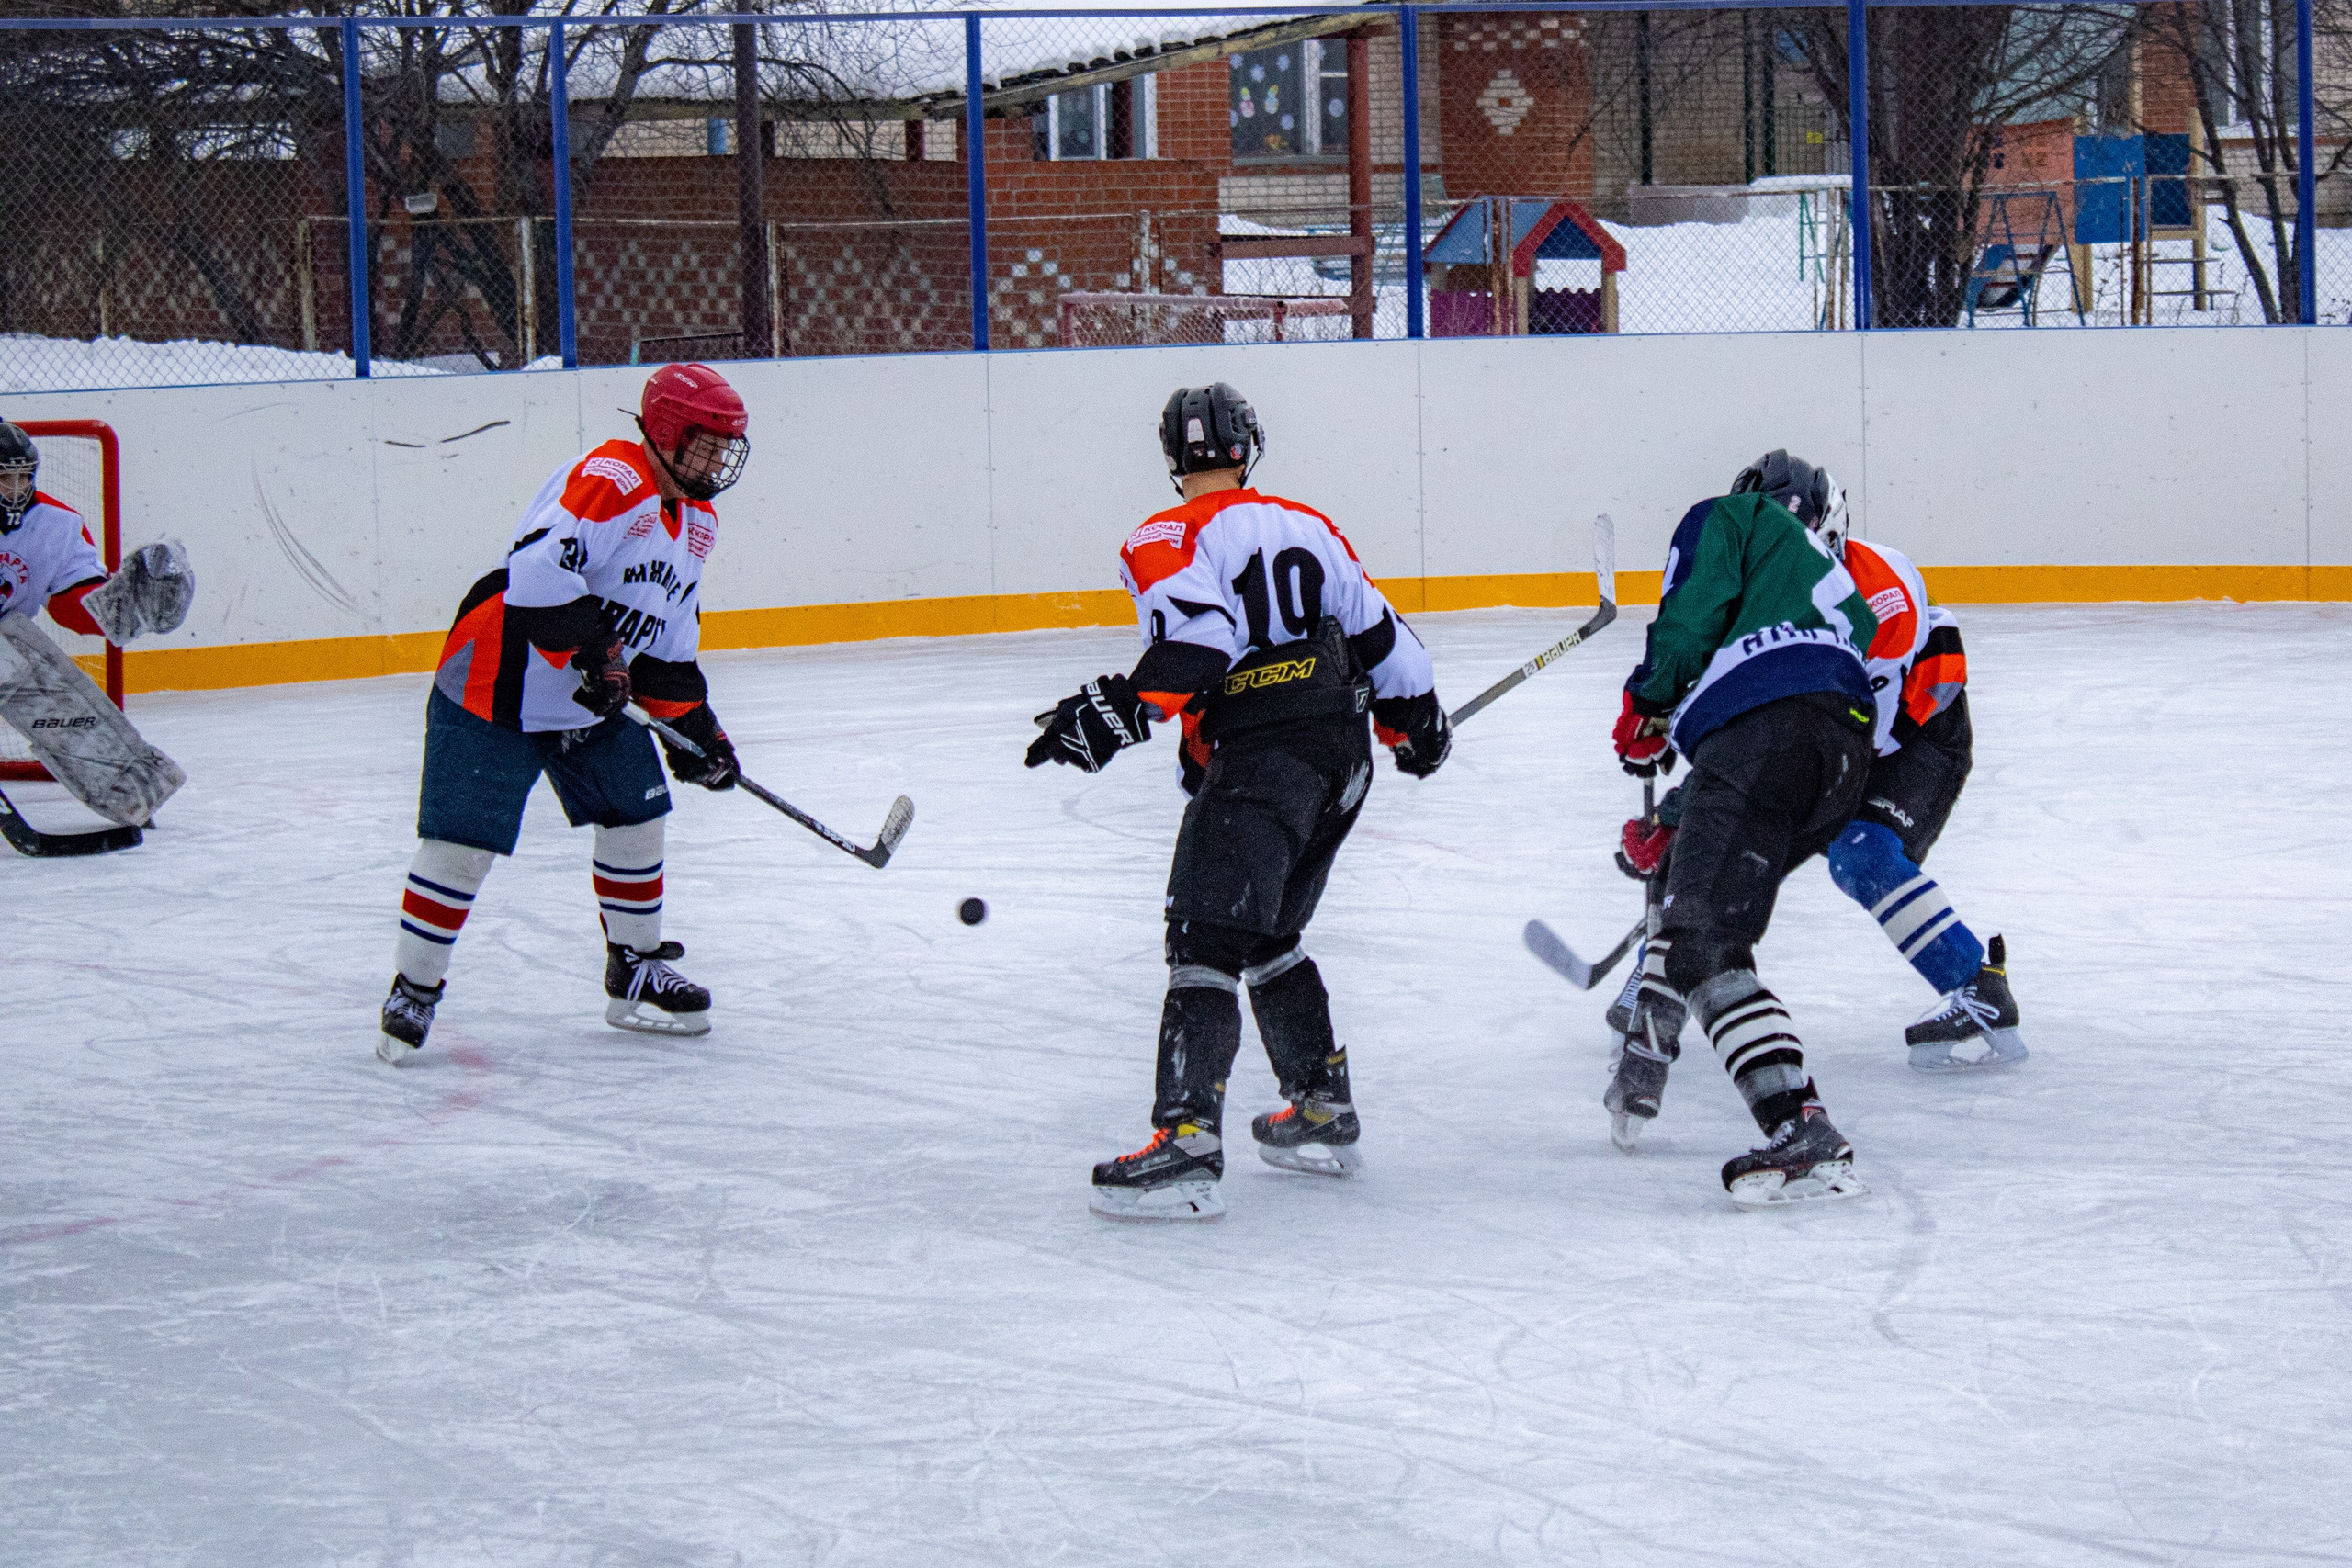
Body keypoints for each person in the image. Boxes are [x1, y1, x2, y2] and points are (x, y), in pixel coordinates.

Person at [1025, 382, 1450, 1222]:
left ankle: (1187, 1140)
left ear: (1173, 460)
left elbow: (1201, 640)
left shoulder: (1165, 532)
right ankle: (1320, 1102)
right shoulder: (1311, 526)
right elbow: (1388, 648)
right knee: (1269, 932)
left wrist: (1114, 711)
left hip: (1267, 755)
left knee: (1203, 935)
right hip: (1340, 759)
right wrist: (1419, 728)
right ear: (1247, 449)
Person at [1607, 458, 2027, 1089]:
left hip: (1916, 737)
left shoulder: (1880, 593)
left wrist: (1679, 810)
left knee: (1862, 852)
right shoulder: (1772, 593)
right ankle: (1661, 981)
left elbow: (1809, 747)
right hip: (1845, 733)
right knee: (1713, 838)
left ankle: (1979, 989)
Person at [377, 364, 750, 1066]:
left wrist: (698, 731)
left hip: (590, 694)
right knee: (462, 844)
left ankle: (634, 966)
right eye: (706, 443)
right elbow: (537, 573)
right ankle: (414, 988)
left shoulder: (698, 524)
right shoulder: (614, 478)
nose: (717, 461)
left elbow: (665, 647)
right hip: (498, 683)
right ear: (667, 433)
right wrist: (593, 649)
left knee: (637, 818)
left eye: (726, 447)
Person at [1604, 449, 1877, 1204]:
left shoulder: (1729, 518)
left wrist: (1646, 706)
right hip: (1840, 759)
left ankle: (1800, 1120)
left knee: (1705, 937)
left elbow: (1693, 621)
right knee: (1707, 923)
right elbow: (1800, 680)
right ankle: (1658, 1059)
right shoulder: (1833, 579)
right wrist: (1682, 815)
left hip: (1768, 736)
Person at [0, 419, 193, 827]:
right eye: (4, 480)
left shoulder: (56, 523)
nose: (16, 490)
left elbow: (71, 602)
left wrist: (123, 608)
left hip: (8, 642)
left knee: (22, 660)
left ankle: (127, 790)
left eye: (23, 478)